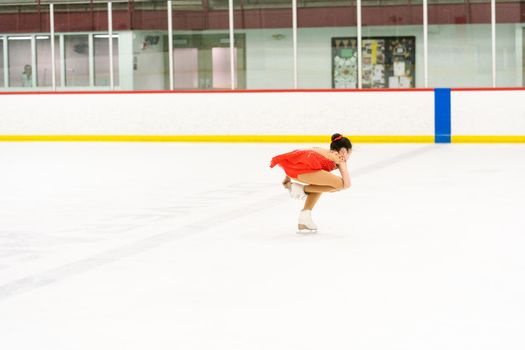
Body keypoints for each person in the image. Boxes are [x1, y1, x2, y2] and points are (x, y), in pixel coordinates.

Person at [270, 133, 352, 233]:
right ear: (344, 151)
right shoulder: (339, 158)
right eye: (349, 153)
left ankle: (304, 218)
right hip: (304, 171)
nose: (348, 157)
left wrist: (287, 178)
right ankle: (300, 189)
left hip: (293, 170)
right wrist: (335, 189)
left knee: (322, 183)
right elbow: (346, 185)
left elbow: (301, 157)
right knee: (339, 184)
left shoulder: (324, 152)